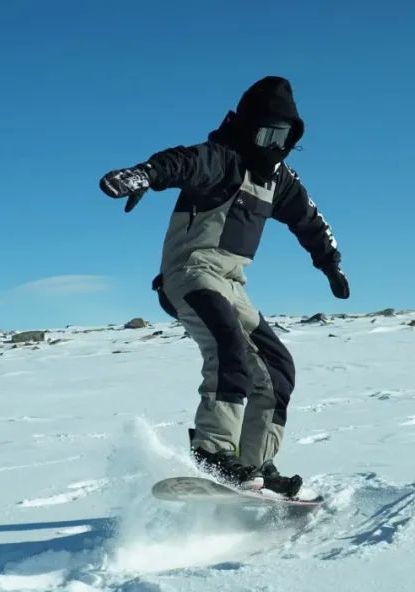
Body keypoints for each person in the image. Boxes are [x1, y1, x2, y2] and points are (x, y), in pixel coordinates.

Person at [98, 76, 349, 497]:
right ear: (248, 127)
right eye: (266, 134)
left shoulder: (278, 179)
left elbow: (308, 219)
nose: (274, 145)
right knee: (228, 345)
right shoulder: (221, 159)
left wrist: (329, 263)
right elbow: (180, 162)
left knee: (277, 368)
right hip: (189, 273)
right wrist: (145, 174)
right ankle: (213, 450)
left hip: (232, 283)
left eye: (283, 138)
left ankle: (255, 463)